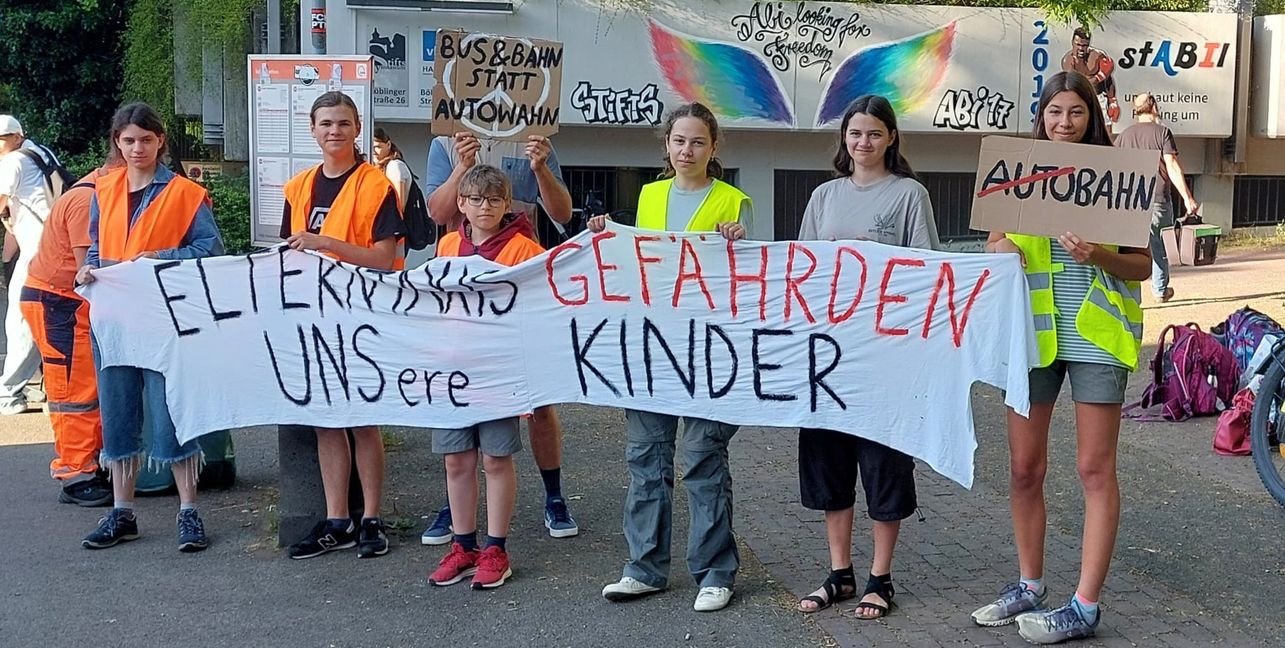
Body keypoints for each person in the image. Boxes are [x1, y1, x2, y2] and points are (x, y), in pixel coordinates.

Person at [973, 71, 1150, 644]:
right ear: (1041, 116)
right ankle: (1030, 583)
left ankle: (1085, 605)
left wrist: (1100, 254)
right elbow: (995, 244)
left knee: (1094, 470)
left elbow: (1142, 265)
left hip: (1096, 338)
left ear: (1091, 117)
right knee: (1024, 469)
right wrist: (999, 248)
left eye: (1076, 112)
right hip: (1032, 337)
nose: (1064, 122)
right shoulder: (1019, 171)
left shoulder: (1115, 178)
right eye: (1055, 112)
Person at [589, 102, 749, 613]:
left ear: (713, 148)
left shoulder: (732, 201)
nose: (688, 150)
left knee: (704, 460)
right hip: (652, 347)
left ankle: (715, 572)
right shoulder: (648, 196)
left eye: (698, 142)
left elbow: (745, 273)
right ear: (667, 145)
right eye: (680, 141)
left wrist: (738, 242)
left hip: (706, 350)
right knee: (646, 460)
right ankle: (644, 568)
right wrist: (603, 239)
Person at [792, 95, 939, 620]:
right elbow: (802, 270)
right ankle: (839, 574)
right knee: (829, 465)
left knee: (882, 466)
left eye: (874, 133)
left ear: (891, 138)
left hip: (884, 356)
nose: (864, 143)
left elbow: (924, 272)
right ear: (844, 139)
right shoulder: (824, 196)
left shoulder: (909, 195)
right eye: (855, 133)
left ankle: (880, 576)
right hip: (830, 355)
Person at [74, 102, 225, 551]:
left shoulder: (185, 194)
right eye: (128, 140)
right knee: (118, 414)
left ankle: (189, 511)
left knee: (170, 414)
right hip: (116, 318)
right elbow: (100, 247)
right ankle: (122, 512)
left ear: (160, 141)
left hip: (166, 319)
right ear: (117, 144)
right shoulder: (103, 190)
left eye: (145, 139)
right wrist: (90, 269)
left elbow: (209, 250)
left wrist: (156, 259)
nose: (137, 147)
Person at [420, 130, 578, 545]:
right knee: (460, 439)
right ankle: (457, 512)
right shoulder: (444, 144)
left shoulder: (533, 140)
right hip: (462, 322)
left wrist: (540, 166)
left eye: (493, 200)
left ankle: (554, 496)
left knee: (539, 408)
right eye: (478, 201)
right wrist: (461, 165)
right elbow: (437, 213)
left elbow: (562, 213)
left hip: (519, 298)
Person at [280, 91, 404, 560]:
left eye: (344, 124)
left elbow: (383, 257)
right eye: (326, 123)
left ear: (357, 129)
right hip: (312, 318)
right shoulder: (297, 188)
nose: (335, 131)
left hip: (360, 316)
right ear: (312, 129)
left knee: (361, 420)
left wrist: (324, 242)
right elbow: (288, 258)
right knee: (326, 424)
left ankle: (370, 516)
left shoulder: (374, 185)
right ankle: (338, 519)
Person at [426, 164, 544, 590]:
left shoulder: (525, 251)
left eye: (494, 200)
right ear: (461, 203)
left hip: (498, 372)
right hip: (452, 371)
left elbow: (540, 308)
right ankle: (463, 545)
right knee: (456, 459)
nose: (484, 207)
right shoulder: (445, 248)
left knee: (496, 459)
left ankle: (496, 548)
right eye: (475, 199)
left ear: (507, 205)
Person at [21, 151, 125, 506]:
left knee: (85, 389)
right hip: (59, 302)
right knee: (73, 394)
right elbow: (88, 269)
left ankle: (85, 465)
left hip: (64, 300)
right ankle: (75, 473)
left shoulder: (90, 193)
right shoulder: (87, 200)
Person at [1114, 93, 1198, 303]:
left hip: (1129, 199)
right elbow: (1172, 166)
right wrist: (1187, 197)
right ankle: (1160, 290)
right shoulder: (1162, 133)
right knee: (1160, 245)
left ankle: (1126, 291)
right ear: (1153, 107)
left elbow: (1115, 167)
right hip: (1157, 197)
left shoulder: (1124, 135)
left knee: (1128, 246)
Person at [0, 114, 56, 415]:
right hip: (55, 246)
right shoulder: (41, 151)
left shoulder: (12, 162)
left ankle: (8, 394)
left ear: (16, 137)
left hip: (37, 250)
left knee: (22, 318)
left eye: (1, 138)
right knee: (43, 316)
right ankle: (43, 385)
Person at [1061, 27, 1119, 124]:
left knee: (1105, 128)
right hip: (1079, 98)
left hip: (1099, 97)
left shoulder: (1097, 56)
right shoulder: (1068, 61)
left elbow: (1108, 80)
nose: (1080, 48)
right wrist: (1099, 77)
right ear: (1072, 43)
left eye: (1084, 45)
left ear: (1088, 44)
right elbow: (1078, 85)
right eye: (1078, 44)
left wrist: (1112, 101)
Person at [372, 127, 412, 211]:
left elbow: (400, 206)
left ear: (388, 145)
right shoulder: (379, 167)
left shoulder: (394, 166)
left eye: (377, 147)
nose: (373, 151)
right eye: (371, 147)